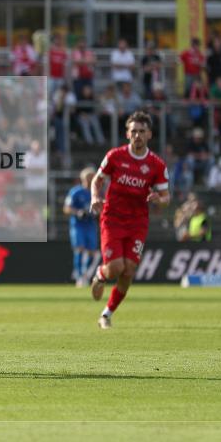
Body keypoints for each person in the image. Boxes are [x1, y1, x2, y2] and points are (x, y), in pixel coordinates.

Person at [89, 111, 170, 329]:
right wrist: (95, 197)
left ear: (149, 134)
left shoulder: (156, 165)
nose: (137, 135)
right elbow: (97, 180)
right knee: (115, 267)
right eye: (133, 131)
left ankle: (106, 314)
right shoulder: (115, 156)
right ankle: (100, 273)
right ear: (127, 133)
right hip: (113, 218)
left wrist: (158, 199)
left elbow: (166, 197)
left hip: (137, 221)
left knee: (129, 270)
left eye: (141, 132)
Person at [64, 167, 99, 287]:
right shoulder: (75, 192)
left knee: (92, 252)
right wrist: (78, 212)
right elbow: (67, 208)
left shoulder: (96, 193)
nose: (90, 180)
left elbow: (101, 207)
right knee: (79, 249)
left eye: (92, 177)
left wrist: (96, 212)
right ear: (83, 179)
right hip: (78, 225)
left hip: (90, 225)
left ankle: (86, 275)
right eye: (88, 177)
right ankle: (79, 277)